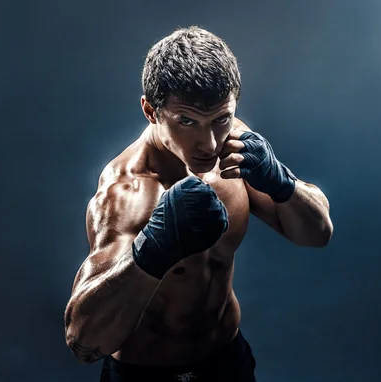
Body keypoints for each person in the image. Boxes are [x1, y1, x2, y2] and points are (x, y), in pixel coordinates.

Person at [64, 26, 333, 382]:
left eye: (220, 119)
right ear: (151, 110)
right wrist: (153, 249)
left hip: (227, 362)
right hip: (144, 376)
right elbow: (83, 342)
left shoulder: (233, 146)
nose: (208, 143)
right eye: (186, 121)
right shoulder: (127, 191)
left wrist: (280, 182)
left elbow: (318, 234)